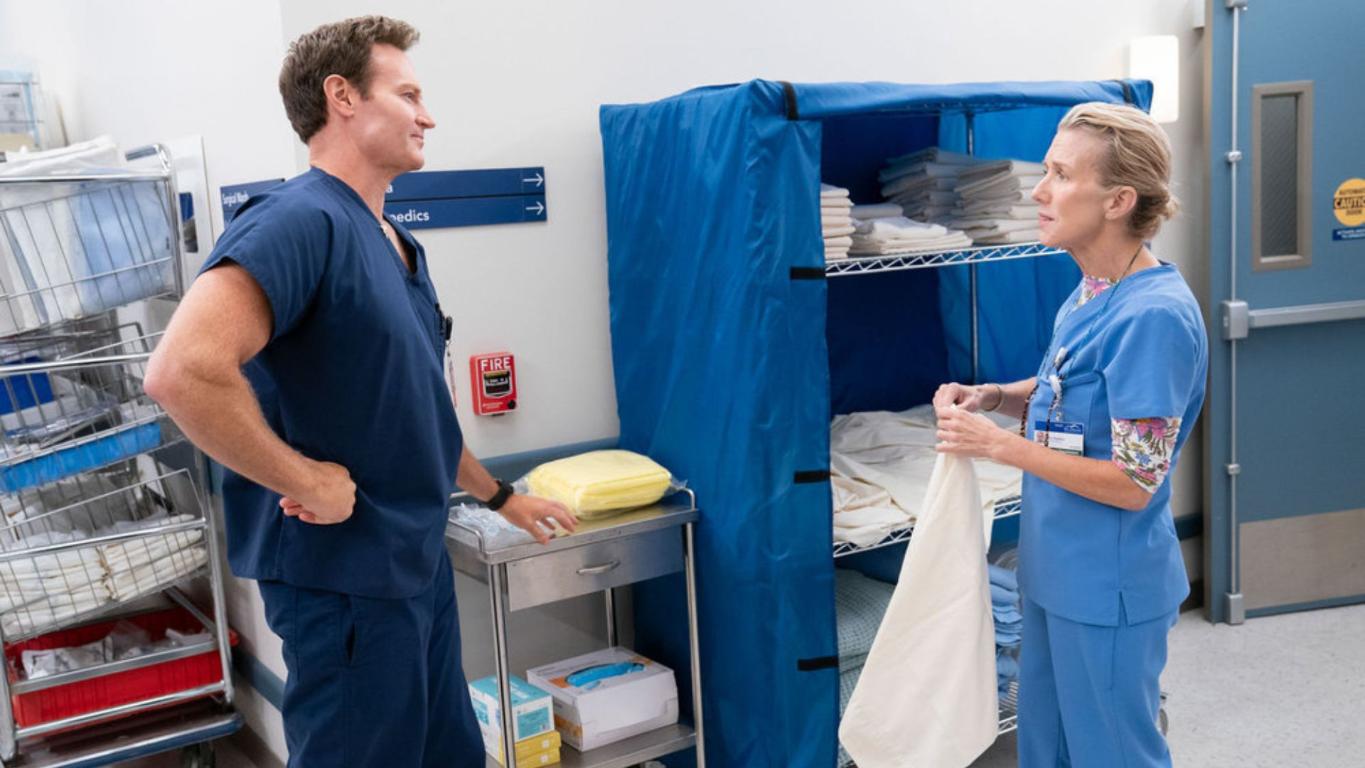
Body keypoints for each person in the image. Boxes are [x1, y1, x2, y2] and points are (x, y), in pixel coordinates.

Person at [144, 16, 577, 767]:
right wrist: (303, 477)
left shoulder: (397, 242)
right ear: (341, 96)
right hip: (343, 581)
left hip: (414, 564)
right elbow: (181, 372)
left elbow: (412, 414)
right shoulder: (298, 221)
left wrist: (501, 497)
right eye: (407, 93)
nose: (428, 115)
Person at [932, 102, 1207, 767]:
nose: (1037, 189)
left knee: (1111, 754)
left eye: (1058, 174)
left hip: (1106, 589)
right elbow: (1071, 391)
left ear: (1117, 199)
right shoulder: (1091, 289)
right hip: (1055, 573)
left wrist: (996, 444)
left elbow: (1134, 482)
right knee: (1048, 751)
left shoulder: (1153, 319)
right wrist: (999, 398)